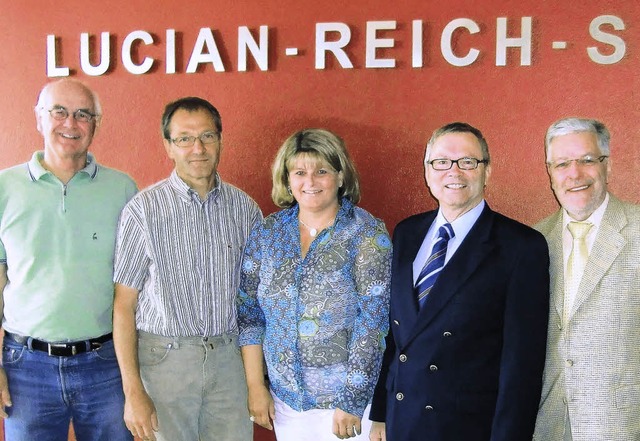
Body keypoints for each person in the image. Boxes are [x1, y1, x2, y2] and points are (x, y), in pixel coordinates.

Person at [369, 122, 550, 441]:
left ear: (487, 170)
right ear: (427, 171)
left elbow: (521, 365)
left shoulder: (520, 246)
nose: (453, 172)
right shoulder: (407, 233)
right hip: (403, 421)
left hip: (468, 428)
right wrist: (382, 415)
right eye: (441, 162)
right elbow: (395, 336)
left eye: (467, 161)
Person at [112, 96, 262, 441]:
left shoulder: (246, 210)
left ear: (220, 140)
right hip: (164, 362)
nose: (198, 148)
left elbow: (256, 301)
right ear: (168, 146)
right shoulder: (143, 210)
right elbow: (123, 304)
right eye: (184, 138)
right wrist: (133, 390)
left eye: (207, 136)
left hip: (229, 362)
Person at [0, 79, 137, 440]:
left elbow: (136, 285)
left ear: (97, 123)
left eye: (82, 115)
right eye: (59, 112)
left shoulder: (123, 189)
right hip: (25, 367)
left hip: (105, 365)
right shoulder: (4, 188)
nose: (70, 124)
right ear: (38, 119)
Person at [237, 128, 392, 441]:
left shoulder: (366, 235)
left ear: (340, 176)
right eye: (299, 172)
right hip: (286, 402)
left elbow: (374, 324)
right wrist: (256, 387)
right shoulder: (268, 233)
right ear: (287, 178)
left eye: (322, 171)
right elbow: (250, 315)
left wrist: (352, 401)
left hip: (347, 406)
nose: (310, 182)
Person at [532, 118, 640, 441]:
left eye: (587, 160)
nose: (574, 173)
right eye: (562, 163)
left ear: (606, 165)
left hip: (622, 426)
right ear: (550, 173)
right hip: (548, 427)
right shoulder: (535, 241)